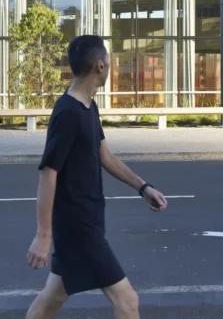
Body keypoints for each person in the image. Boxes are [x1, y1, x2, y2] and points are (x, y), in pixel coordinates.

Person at [25, 35, 168, 319]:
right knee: (127, 301)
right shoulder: (68, 113)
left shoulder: (88, 107)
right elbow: (48, 173)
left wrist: (143, 187)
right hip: (79, 228)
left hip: (86, 219)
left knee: (53, 297)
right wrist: (43, 236)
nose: (110, 68)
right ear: (100, 66)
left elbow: (105, 156)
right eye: (110, 63)